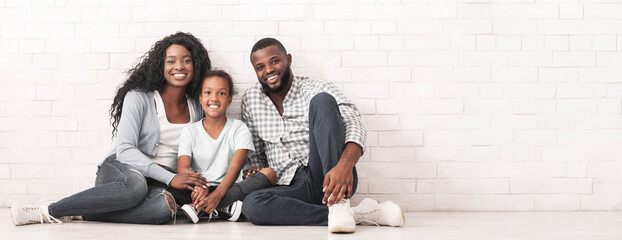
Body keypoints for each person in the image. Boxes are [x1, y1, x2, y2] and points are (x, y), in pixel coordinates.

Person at [11, 32, 212, 225]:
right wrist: (170, 177)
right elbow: (125, 150)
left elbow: (201, 149)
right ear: (160, 65)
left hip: (162, 181)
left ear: (196, 65)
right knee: (136, 186)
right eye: (171, 61)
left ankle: (86, 211)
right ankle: (48, 210)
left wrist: (198, 185)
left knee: (163, 207)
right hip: (122, 171)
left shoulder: (197, 105)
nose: (179, 66)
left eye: (187, 60)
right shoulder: (139, 97)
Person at [240, 37, 405, 233]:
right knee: (251, 205)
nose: (268, 70)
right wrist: (255, 171)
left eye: (274, 61)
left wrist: (345, 166)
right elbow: (257, 155)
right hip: (290, 186)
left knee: (323, 102)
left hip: (330, 174)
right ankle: (356, 215)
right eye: (260, 67)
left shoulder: (315, 87)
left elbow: (354, 124)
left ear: (288, 60)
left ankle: (339, 203)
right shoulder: (251, 100)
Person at [175, 70, 277, 223]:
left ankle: (203, 207)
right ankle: (223, 208)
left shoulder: (239, 128)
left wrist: (218, 195)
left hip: (229, 188)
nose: (214, 98)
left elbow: (235, 168)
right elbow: (182, 168)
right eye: (208, 92)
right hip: (199, 189)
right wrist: (199, 185)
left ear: (229, 100)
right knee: (166, 179)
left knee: (269, 173)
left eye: (221, 94)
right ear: (201, 98)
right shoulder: (189, 131)